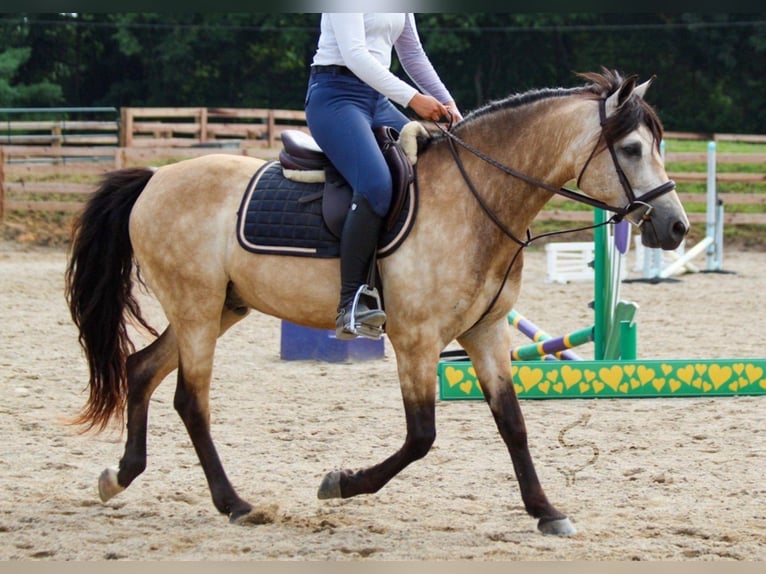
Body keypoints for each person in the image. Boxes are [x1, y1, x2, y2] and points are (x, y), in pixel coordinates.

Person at [304, 13, 463, 340]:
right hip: (335, 95)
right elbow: (355, 54)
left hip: (376, 99)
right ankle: (351, 302)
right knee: (376, 184)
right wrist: (414, 99)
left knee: (436, 163)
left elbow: (413, 55)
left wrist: (447, 101)